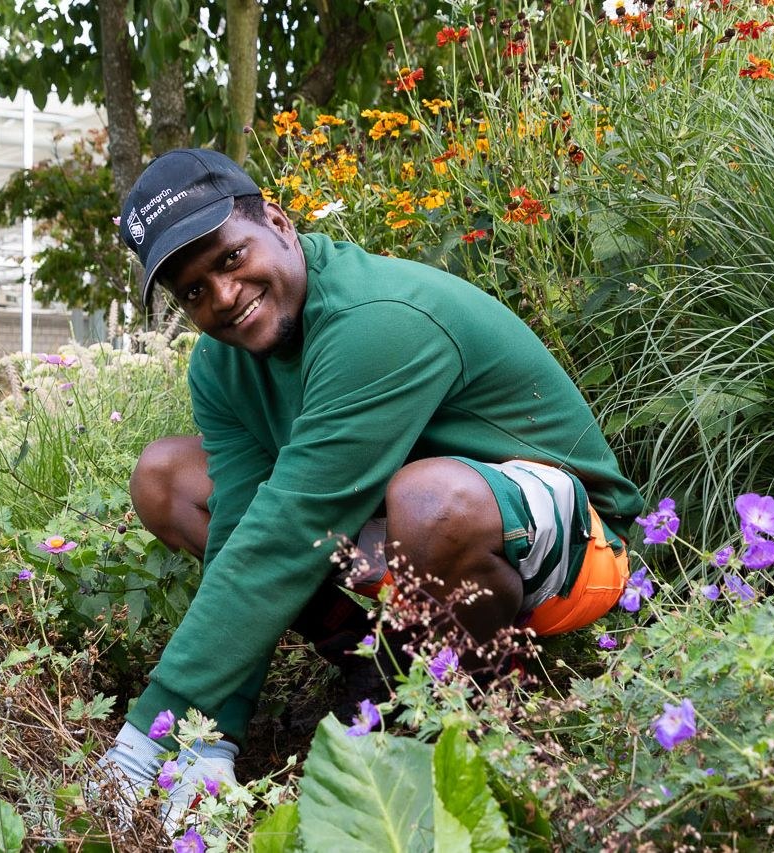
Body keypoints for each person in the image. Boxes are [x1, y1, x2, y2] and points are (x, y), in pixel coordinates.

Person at [95, 148, 643, 821]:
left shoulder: (375, 316)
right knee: (167, 478)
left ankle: (484, 691)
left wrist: (144, 729)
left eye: (230, 258)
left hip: (569, 550)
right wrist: (212, 733)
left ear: (277, 220)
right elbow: (241, 529)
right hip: (396, 542)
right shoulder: (220, 367)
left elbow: (293, 526)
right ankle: (382, 662)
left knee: (426, 501)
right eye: (193, 291)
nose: (223, 297)